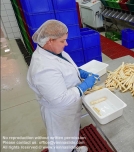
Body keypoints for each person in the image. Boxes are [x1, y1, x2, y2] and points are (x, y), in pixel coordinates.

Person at [27, 20, 99, 152]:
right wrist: (84, 86)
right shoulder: (43, 68)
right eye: (62, 40)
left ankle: (73, 149)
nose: (66, 43)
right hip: (58, 113)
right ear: (50, 41)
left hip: (69, 108)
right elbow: (59, 99)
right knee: (61, 143)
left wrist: (79, 72)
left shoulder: (55, 52)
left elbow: (65, 67)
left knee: (71, 135)